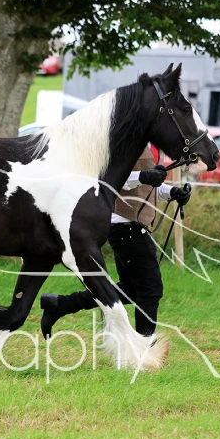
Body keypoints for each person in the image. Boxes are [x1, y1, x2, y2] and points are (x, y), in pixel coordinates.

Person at [40, 145, 191, 338]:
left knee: (131, 290)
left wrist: (173, 192)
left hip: (134, 226)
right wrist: (144, 176)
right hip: (124, 224)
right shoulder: (127, 143)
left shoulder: (154, 146)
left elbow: (149, 187)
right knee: (150, 290)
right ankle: (144, 347)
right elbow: (111, 178)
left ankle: (60, 304)